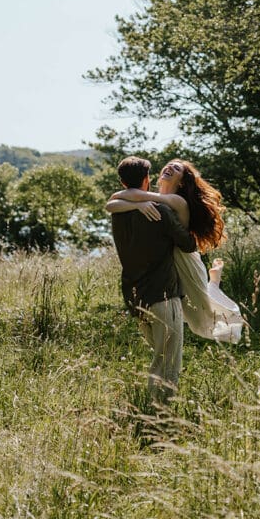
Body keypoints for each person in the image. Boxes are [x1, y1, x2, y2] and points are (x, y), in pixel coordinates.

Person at [107, 158, 244, 344]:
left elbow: (117, 198)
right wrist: (136, 204)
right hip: (169, 261)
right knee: (194, 307)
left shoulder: (176, 201)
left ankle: (214, 282)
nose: (170, 166)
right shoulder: (151, 199)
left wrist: (135, 201)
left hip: (185, 260)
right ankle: (213, 281)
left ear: (181, 181)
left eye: (177, 168)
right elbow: (113, 204)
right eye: (169, 165)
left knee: (204, 311)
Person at [109, 156, 197, 405]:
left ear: (122, 181)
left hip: (135, 299)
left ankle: (151, 410)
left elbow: (113, 203)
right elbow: (189, 244)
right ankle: (159, 417)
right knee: (166, 363)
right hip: (163, 297)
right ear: (147, 180)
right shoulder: (161, 211)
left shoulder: (119, 211)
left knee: (159, 357)